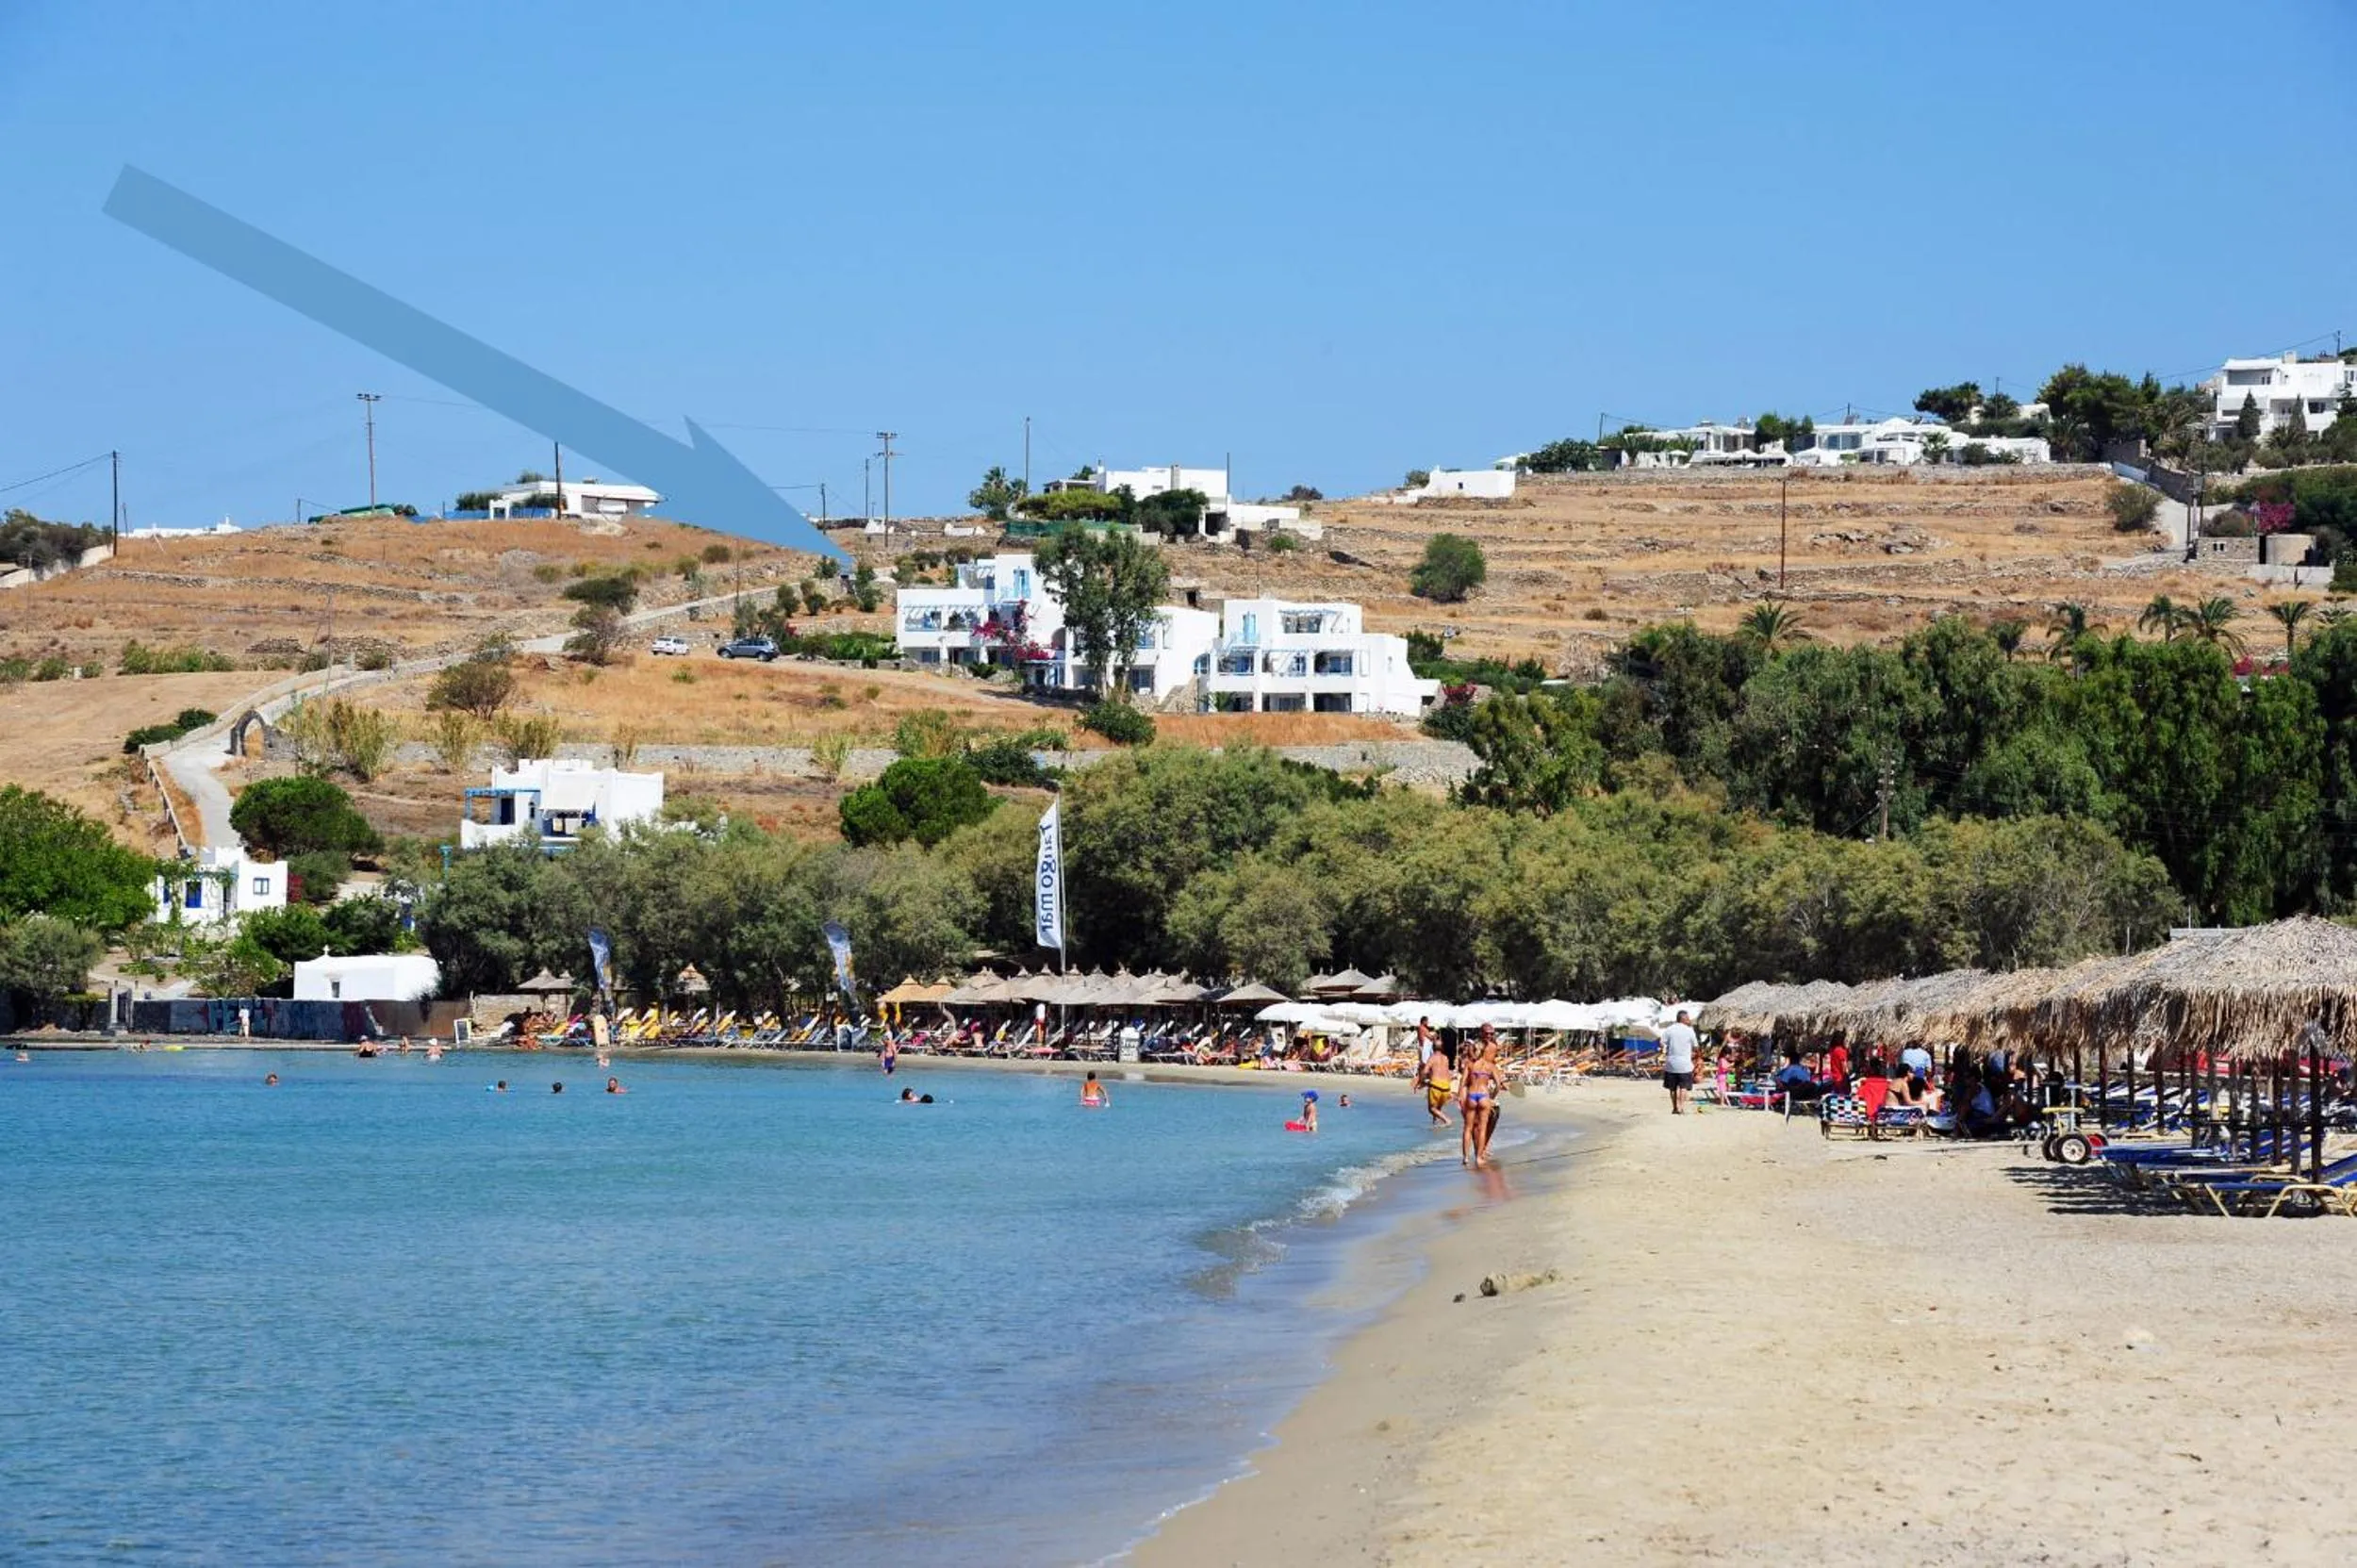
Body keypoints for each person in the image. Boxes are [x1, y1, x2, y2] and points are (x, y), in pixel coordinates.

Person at [1461, 1035, 1504, 1167]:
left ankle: (1466, 1157)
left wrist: (1461, 1099)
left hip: (1472, 1095)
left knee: (1468, 1128)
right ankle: (1479, 1158)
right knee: (1482, 1128)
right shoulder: (1490, 1066)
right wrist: (1491, 1097)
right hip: (1484, 1096)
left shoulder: (1470, 1065)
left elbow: (1463, 1084)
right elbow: (1498, 1084)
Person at [1660, 1009, 1700, 1115]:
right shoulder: (1689, 1030)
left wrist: (1666, 1050)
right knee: (1683, 1087)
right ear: (1684, 1019)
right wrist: (1697, 1055)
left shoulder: (1669, 1030)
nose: (1689, 1020)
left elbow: (1661, 1043)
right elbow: (1696, 1047)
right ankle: (1681, 1107)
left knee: (1672, 1088)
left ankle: (1674, 1107)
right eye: (1688, 1018)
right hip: (1685, 1064)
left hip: (1671, 1063)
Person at [1413, 1045, 1454, 1127]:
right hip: (1446, 1087)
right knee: (1438, 1108)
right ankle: (1435, 1124)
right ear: (1442, 1048)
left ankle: (1447, 1120)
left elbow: (1425, 1072)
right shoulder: (1446, 1058)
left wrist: (1420, 1082)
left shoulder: (1432, 1058)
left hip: (1436, 1086)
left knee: (1432, 1109)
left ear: (1432, 1048)